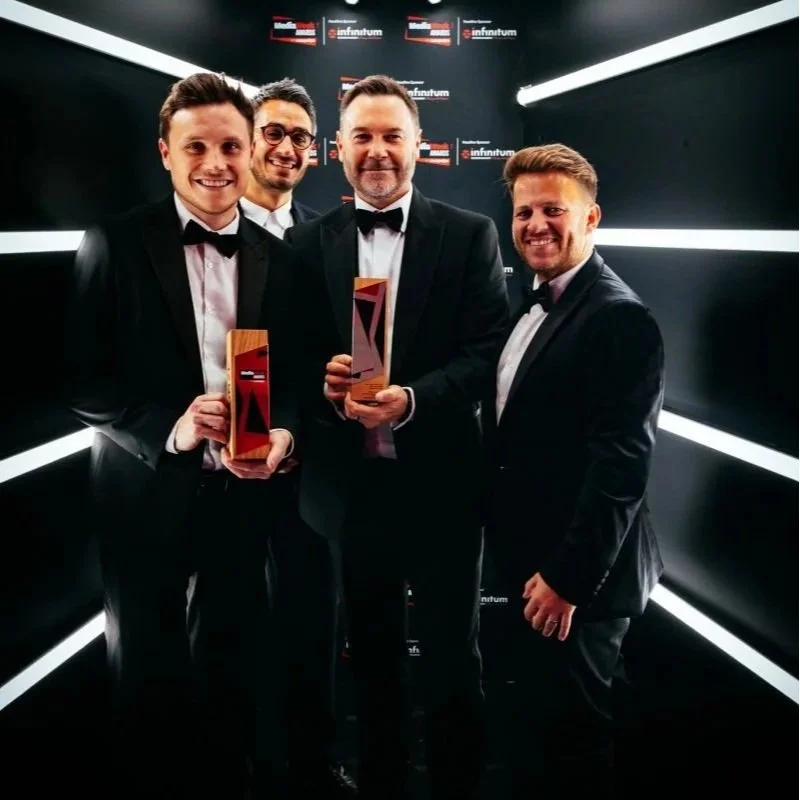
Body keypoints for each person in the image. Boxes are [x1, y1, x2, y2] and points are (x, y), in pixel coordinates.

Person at [63, 71, 298, 799]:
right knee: (145, 685)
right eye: (197, 146)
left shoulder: (280, 258)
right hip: (143, 496)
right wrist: (172, 426)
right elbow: (80, 381)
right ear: (166, 150)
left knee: (234, 677)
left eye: (232, 145)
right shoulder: (113, 242)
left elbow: (292, 382)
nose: (217, 163)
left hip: (243, 500)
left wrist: (283, 435)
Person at [285, 75, 510, 800]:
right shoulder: (304, 244)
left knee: (451, 663)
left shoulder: (471, 233)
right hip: (351, 494)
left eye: (391, 136)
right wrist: (320, 392)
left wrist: (412, 400)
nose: (377, 151)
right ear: (338, 150)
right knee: (373, 665)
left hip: (442, 487)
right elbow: (288, 362)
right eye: (362, 136)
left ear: (420, 145)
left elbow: (487, 354)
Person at [483, 142, 665, 798]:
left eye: (553, 210)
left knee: (575, 749)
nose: (536, 224)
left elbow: (622, 466)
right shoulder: (523, 298)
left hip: (579, 585)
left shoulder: (619, 317)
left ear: (591, 219)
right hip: (528, 567)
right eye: (524, 211)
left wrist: (568, 580)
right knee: (537, 738)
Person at [240, 77, 357, 798]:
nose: (285, 147)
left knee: (316, 624)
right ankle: (250, 768)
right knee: (236, 628)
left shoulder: (325, 233)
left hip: (316, 469)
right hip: (230, 465)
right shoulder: (213, 226)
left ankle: (313, 769)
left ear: (314, 155)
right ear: (250, 141)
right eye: (273, 133)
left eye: (299, 139)